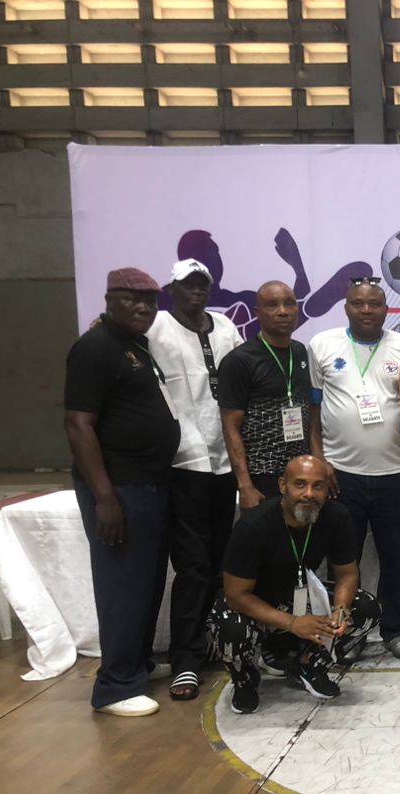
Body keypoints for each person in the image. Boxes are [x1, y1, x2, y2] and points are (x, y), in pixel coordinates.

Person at [63, 267, 180, 717]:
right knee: (122, 584)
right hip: (120, 487)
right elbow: (79, 424)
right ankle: (114, 686)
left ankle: (136, 665)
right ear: (109, 299)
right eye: (132, 298)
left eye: (150, 300)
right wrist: (105, 498)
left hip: (150, 482)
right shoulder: (94, 348)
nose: (143, 307)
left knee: (147, 581)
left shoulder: (134, 346)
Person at [209, 455, 379, 714]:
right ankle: (244, 680)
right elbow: (236, 595)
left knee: (366, 608)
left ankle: (308, 665)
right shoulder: (253, 525)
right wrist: (291, 623)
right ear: (282, 486)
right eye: (300, 484)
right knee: (230, 627)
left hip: (298, 595)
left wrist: (341, 610)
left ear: (327, 489)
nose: (309, 494)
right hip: (254, 602)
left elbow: (346, 573)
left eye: (318, 486)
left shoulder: (337, 516)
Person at [147, 258, 244, 701]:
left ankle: (216, 643)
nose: (196, 291)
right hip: (183, 463)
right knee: (192, 564)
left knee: (223, 561)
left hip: (224, 462)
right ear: (171, 289)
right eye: (187, 284)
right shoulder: (156, 328)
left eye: (202, 284)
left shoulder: (225, 327)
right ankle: (184, 659)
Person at [307, 278, 400, 660]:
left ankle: (395, 629)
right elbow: (314, 412)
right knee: (343, 559)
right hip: (341, 475)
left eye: (374, 304)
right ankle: (345, 633)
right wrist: (320, 462)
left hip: (395, 473)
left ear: (387, 309)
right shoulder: (322, 345)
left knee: (397, 558)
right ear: (346, 308)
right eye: (358, 303)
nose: (366, 310)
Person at [218, 281, 312, 507]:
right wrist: (245, 484)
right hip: (261, 476)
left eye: (289, 304)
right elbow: (230, 428)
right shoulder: (240, 360)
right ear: (257, 312)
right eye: (272, 305)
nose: (283, 311)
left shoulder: (300, 351)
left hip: (299, 472)